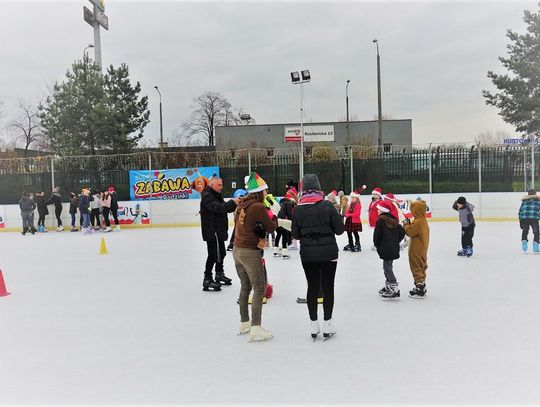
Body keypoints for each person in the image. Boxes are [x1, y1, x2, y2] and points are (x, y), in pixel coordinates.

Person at [292, 174, 345, 340]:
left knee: (312, 287)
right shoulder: (328, 206)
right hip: (329, 252)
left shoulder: (298, 209)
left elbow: (295, 234)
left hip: (308, 254)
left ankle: (314, 324)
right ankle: (328, 323)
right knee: (328, 287)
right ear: (318, 187)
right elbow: (340, 230)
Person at [233, 172, 278, 341]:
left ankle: (244, 322)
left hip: (237, 250)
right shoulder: (258, 206)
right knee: (259, 287)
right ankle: (256, 327)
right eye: (265, 191)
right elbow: (271, 227)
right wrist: (273, 215)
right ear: (260, 192)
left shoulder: (242, 205)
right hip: (249, 251)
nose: (266, 193)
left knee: (245, 286)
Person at [200, 176, 239, 291]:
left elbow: (225, 208)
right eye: (219, 185)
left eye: (221, 184)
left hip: (218, 230)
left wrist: (236, 203)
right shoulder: (207, 196)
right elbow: (218, 208)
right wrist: (233, 202)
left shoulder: (216, 195)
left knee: (221, 253)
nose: (221, 187)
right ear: (212, 185)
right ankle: (207, 279)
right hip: (212, 231)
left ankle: (219, 273)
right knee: (213, 254)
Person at [373, 200, 406, 299]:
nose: (377, 210)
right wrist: (396, 241)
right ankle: (389, 286)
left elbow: (377, 236)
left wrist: (377, 245)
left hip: (385, 248)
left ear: (383, 210)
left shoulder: (380, 221)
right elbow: (402, 232)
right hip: (392, 248)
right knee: (387, 267)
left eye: (378, 209)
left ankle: (394, 287)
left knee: (387, 268)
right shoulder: (394, 219)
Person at [403, 199, 430, 299]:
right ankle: (422, 284)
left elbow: (409, 232)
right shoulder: (422, 220)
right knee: (422, 265)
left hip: (416, 249)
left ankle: (419, 288)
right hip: (422, 248)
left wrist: (405, 223)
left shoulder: (418, 222)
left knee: (416, 266)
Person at [274, 187, 296, 259]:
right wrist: (291, 221)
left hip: (277, 220)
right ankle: (285, 252)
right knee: (285, 236)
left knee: (278, 235)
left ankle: (276, 250)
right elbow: (289, 214)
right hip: (283, 221)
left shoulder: (282, 204)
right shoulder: (289, 204)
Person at [518, 189, 540, 253]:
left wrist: (520, 221)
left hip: (524, 219)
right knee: (536, 232)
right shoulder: (538, 201)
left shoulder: (524, 201)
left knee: (525, 231)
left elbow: (520, 211)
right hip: (534, 219)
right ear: (535, 194)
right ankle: (536, 246)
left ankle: (524, 243)